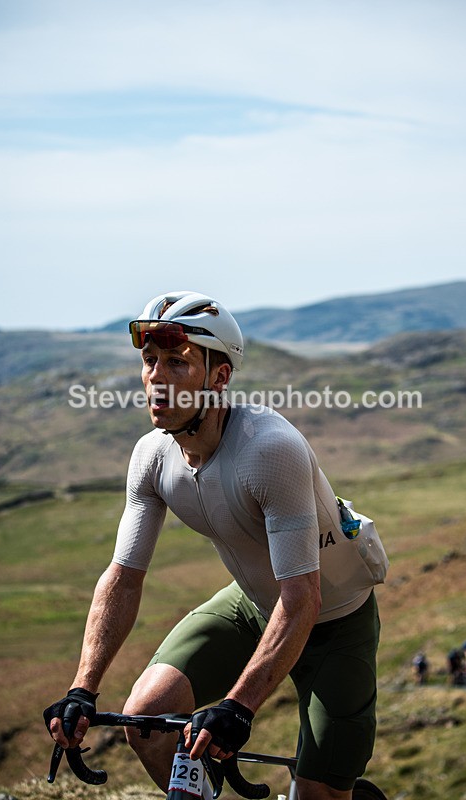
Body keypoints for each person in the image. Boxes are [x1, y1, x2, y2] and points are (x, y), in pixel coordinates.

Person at [44, 291, 386, 800]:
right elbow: (123, 576)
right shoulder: (153, 456)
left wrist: (238, 706)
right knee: (146, 719)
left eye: (178, 363)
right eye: (150, 360)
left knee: (318, 794)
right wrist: (83, 688)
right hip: (252, 604)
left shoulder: (269, 451)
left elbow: (302, 600)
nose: (157, 376)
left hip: (333, 620)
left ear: (219, 378)